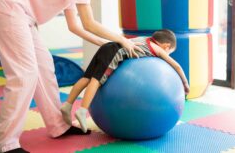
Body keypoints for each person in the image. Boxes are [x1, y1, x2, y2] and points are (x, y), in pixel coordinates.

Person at [0, 0, 144, 153]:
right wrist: (121, 40)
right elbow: (89, 23)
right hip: (8, 7)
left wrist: (107, 45)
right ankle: (4, 143)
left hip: (21, 14)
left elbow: (75, 26)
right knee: (25, 75)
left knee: (44, 67)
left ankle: (58, 125)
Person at [60, 29, 190, 133]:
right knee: (96, 80)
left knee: (86, 78)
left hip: (107, 47)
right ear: (166, 46)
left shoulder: (144, 39)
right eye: (169, 52)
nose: (168, 55)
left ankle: (67, 105)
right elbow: (176, 66)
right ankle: (82, 110)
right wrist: (185, 83)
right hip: (114, 52)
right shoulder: (158, 49)